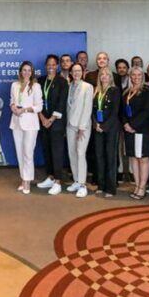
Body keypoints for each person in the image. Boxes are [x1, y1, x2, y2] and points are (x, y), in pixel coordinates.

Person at [36, 55, 69, 195]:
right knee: (46, 150)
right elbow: (37, 101)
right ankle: (50, 177)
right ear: (45, 65)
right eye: (48, 64)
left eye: (54, 64)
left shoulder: (62, 81)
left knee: (57, 152)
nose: (51, 66)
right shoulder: (40, 80)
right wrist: (42, 118)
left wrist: (51, 120)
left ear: (57, 66)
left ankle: (58, 181)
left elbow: (62, 103)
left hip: (56, 122)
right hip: (43, 121)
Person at [9, 61, 43, 194]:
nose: (26, 72)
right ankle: (23, 178)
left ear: (32, 72)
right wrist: (13, 107)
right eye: (24, 70)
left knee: (28, 153)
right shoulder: (14, 85)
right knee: (19, 152)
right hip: (16, 122)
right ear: (20, 72)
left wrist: (25, 110)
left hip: (30, 124)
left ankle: (28, 181)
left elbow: (39, 106)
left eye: (29, 70)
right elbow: (12, 100)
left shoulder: (36, 86)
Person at [121, 67, 149, 199]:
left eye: (139, 75)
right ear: (130, 76)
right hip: (129, 130)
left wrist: (133, 125)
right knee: (133, 158)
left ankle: (142, 187)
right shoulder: (126, 92)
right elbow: (122, 111)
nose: (136, 77)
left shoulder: (147, 91)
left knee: (143, 158)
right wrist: (125, 124)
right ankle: (137, 185)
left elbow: (147, 111)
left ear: (143, 76)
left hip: (143, 130)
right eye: (133, 75)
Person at [65, 63, 93, 198]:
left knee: (81, 153)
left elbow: (87, 108)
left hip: (83, 126)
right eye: (74, 71)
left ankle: (83, 184)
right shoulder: (69, 86)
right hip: (70, 125)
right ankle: (76, 180)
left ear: (83, 72)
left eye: (79, 71)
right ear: (70, 72)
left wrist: (82, 127)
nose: (76, 73)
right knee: (72, 153)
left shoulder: (87, 87)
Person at [92, 67, 121, 197]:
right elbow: (92, 110)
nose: (104, 76)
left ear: (111, 77)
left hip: (111, 128)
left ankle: (110, 188)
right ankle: (101, 185)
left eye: (106, 74)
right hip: (97, 128)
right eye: (101, 74)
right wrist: (96, 124)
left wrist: (104, 126)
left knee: (110, 157)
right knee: (99, 156)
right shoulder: (96, 91)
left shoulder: (115, 90)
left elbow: (115, 112)